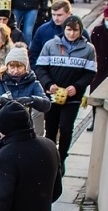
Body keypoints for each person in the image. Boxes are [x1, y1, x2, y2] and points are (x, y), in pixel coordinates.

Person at [35, 14, 98, 168]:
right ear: (64, 29)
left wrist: (76, 86)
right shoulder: (50, 45)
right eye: (69, 30)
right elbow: (41, 68)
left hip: (73, 97)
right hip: (52, 95)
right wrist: (49, 84)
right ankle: (48, 159)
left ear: (80, 31)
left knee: (66, 127)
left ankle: (61, 159)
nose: (71, 33)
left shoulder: (88, 49)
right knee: (50, 128)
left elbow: (90, 73)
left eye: (75, 30)